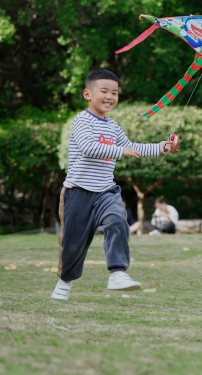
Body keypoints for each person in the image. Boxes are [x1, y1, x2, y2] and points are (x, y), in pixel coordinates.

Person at [51, 69, 172, 301]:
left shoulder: (113, 127)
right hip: (78, 193)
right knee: (73, 244)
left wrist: (160, 147)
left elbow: (133, 148)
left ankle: (117, 273)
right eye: (104, 91)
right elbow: (88, 147)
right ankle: (65, 282)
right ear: (87, 93)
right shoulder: (82, 120)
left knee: (118, 220)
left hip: (105, 191)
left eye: (114, 93)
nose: (110, 97)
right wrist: (120, 151)